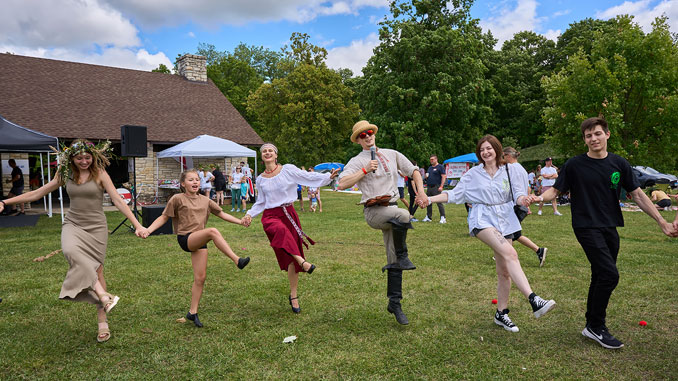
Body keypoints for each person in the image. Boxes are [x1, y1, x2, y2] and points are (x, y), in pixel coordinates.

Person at [528, 117, 677, 349]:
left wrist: (661, 221)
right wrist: (539, 197)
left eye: (597, 133)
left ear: (607, 135)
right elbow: (555, 191)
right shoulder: (574, 164)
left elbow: (637, 194)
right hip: (586, 226)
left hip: (610, 226)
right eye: (588, 136)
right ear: (585, 140)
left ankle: (592, 325)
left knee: (600, 275)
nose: (593, 139)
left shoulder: (619, 164)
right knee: (609, 275)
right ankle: (597, 327)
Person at [0, 140, 147, 342]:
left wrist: (137, 225)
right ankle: (104, 297)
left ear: (93, 156)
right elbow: (38, 192)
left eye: (88, 157)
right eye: (79, 158)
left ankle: (102, 321)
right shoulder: (65, 174)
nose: (84, 161)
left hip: (96, 227)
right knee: (71, 252)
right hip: (73, 225)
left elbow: (117, 200)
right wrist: (4, 201)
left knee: (96, 271)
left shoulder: (100, 174)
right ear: (71, 158)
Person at [421, 135, 556, 333]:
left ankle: (501, 314)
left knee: (504, 272)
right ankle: (534, 300)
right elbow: (455, 194)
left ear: (497, 149)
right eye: (482, 149)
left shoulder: (509, 170)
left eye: (489, 148)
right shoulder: (473, 174)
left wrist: (525, 200)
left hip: (506, 219)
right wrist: (430, 199)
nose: (486, 152)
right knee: (511, 254)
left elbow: (517, 195)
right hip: (482, 219)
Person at [337, 120, 426, 325]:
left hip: (391, 209)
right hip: (374, 212)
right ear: (358, 140)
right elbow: (341, 183)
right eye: (362, 135)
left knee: (392, 258)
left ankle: (394, 303)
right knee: (404, 216)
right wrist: (365, 170)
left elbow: (413, 171)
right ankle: (404, 257)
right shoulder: (357, 160)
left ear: (374, 134)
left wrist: (420, 191)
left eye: (369, 132)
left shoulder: (392, 154)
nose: (367, 136)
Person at [143, 169, 250, 327]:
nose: (195, 182)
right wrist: (148, 230)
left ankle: (192, 312)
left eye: (197, 180)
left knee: (200, 278)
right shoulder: (177, 199)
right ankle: (237, 260)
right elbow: (164, 217)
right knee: (213, 231)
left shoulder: (205, 200)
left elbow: (221, 214)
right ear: (183, 184)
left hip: (200, 239)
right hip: (186, 238)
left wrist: (240, 222)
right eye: (191, 180)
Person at [241, 144, 338, 313]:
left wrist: (327, 177)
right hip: (271, 216)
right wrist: (250, 214)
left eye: (270, 150)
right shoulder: (261, 179)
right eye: (264, 151)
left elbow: (307, 177)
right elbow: (261, 202)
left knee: (291, 255)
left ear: (276, 155)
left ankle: (293, 295)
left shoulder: (287, 170)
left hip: (290, 214)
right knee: (281, 233)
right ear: (262, 157)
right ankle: (303, 262)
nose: (267, 152)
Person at [503, 147, 548, 266]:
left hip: (514, 204)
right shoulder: (522, 169)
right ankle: (539, 251)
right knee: (515, 234)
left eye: (503, 156)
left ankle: (506, 257)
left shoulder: (511, 168)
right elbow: (527, 188)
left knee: (507, 232)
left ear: (508, 156)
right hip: (521, 203)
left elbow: (511, 187)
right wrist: (526, 202)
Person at [422, 155, 447, 223]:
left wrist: (441, 186)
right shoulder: (430, 168)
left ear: (436, 159)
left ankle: (443, 217)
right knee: (428, 202)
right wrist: (426, 177)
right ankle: (429, 217)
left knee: (439, 202)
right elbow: (427, 175)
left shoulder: (440, 167)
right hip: (429, 187)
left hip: (436, 187)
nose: (431, 161)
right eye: (430, 159)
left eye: (432, 159)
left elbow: (443, 176)